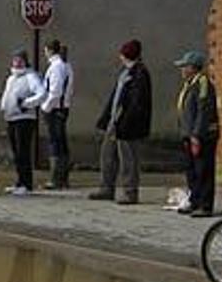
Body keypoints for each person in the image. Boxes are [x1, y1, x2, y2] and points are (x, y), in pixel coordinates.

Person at [90, 40, 153, 205]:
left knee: (128, 159)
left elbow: (136, 103)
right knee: (107, 155)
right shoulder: (125, 72)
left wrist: (126, 122)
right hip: (115, 121)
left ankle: (130, 192)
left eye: (122, 54)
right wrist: (105, 119)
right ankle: (106, 188)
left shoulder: (140, 73)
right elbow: (115, 98)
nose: (120, 57)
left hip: (128, 125)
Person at [174, 51, 220, 217]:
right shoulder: (190, 84)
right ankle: (195, 201)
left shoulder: (202, 83)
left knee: (203, 170)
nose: (182, 70)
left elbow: (203, 111)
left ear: (193, 68)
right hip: (189, 134)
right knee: (192, 171)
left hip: (202, 136)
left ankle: (205, 205)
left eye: (184, 66)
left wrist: (196, 135)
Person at [0, 49, 46, 195]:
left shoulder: (30, 76)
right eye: (15, 60)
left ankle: (26, 184)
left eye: (20, 60)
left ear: (25, 62)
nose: (17, 63)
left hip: (24, 119)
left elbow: (42, 94)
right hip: (11, 118)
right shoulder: (11, 78)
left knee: (23, 152)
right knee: (16, 153)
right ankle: (19, 182)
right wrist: (4, 106)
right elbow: (7, 95)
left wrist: (26, 104)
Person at [41, 40, 75, 190]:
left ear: (49, 50)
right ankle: (63, 178)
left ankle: (56, 179)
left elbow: (55, 91)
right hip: (62, 107)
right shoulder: (66, 66)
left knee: (55, 143)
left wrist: (46, 107)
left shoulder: (56, 67)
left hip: (56, 109)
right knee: (61, 143)